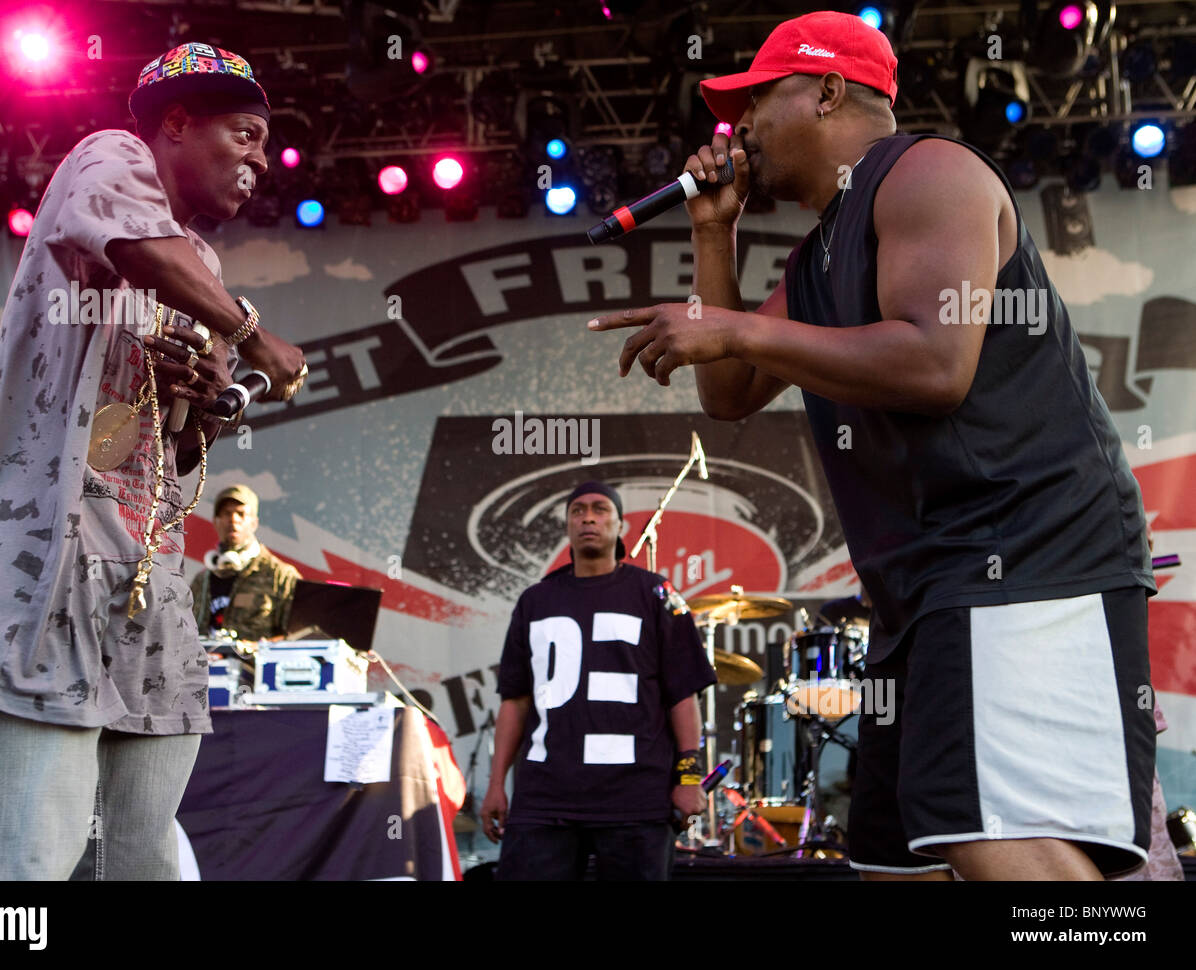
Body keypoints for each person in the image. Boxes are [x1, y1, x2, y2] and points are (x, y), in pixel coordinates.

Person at [589, 11, 1155, 881]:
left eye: (754, 101)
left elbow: (936, 361)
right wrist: (713, 234)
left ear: (826, 91)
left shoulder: (930, 174)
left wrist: (733, 328)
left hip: (1019, 552)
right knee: (903, 862)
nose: (735, 128)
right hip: (923, 589)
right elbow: (730, 393)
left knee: (992, 831)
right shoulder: (818, 256)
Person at [0, 42, 307, 880]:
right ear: (179, 123)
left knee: (137, 860)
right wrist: (250, 333)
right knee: (1, 863)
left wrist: (199, 410)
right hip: (37, 573)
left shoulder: (203, 270)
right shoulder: (107, 157)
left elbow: (131, 446)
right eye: (246, 133)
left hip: (138, 588)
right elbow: (142, 253)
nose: (261, 160)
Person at [479, 481, 717, 880]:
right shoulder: (535, 601)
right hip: (545, 795)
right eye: (578, 510)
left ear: (621, 525)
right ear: (568, 526)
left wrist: (689, 777)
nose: (588, 517)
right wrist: (496, 784)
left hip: (636, 796)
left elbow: (682, 694)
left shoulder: (656, 593)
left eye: (601, 509)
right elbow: (515, 701)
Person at [191, 484, 301, 640]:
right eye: (226, 513)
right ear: (216, 522)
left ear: (254, 523)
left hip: (253, 664)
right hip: (204, 663)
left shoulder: (281, 575)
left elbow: (297, 635)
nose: (233, 519)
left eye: (241, 514)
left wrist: (253, 649)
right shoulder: (201, 582)